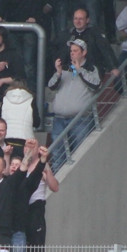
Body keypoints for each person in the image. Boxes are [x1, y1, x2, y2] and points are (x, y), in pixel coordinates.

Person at [48, 39, 100, 170]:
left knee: (80, 154)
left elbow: (96, 85)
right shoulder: (65, 69)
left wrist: (80, 70)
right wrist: (58, 72)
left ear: (84, 52)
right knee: (57, 154)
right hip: (59, 118)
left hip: (81, 120)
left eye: (75, 51)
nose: (72, 53)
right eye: (71, 51)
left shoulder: (91, 69)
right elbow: (51, 86)